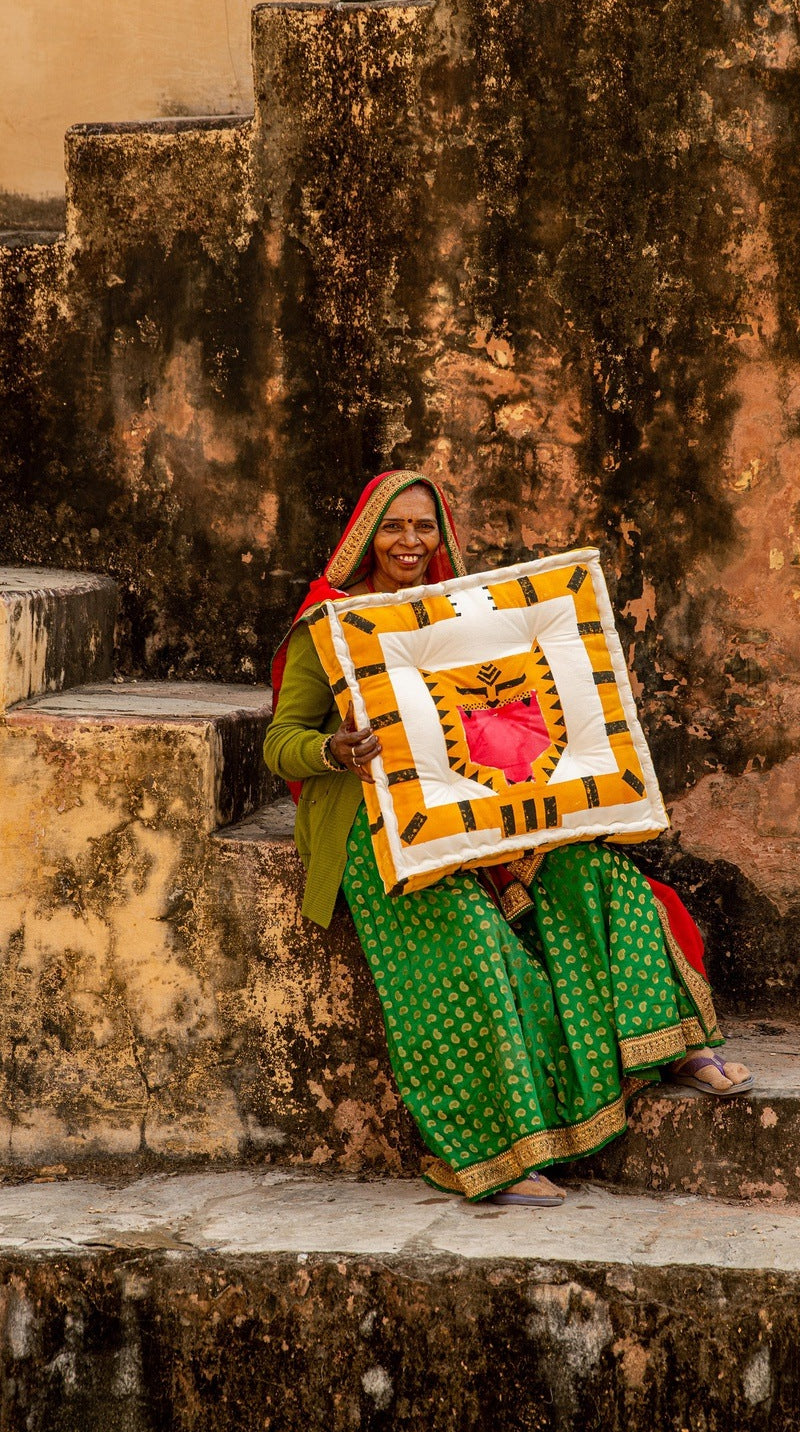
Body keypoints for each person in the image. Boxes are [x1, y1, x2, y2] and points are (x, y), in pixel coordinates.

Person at [264, 470, 751, 1207]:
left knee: (601, 877)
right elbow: (280, 742)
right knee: (475, 952)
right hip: (381, 830)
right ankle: (489, 1154)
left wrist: (531, 815)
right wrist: (333, 751)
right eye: (394, 527)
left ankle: (672, 1046)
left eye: (424, 527)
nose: (409, 542)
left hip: (489, 812)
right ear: (366, 535)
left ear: (443, 535)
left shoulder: (463, 618)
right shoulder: (331, 626)